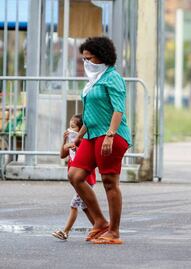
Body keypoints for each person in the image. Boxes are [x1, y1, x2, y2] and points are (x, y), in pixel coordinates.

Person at [68, 36, 132, 244]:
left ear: (102, 57)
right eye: (83, 59)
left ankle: (114, 231)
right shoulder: (93, 80)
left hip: (111, 136)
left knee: (109, 182)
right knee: (75, 175)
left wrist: (110, 135)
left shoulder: (112, 77)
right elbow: (91, 113)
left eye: (89, 58)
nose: (86, 63)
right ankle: (99, 222)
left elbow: (118, 109)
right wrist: (79, 136)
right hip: (92, 134)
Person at [52, 114, 96, 240]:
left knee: (74, 205)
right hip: (77, 180)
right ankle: (98, 228)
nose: (70, 129)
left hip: (85, 179)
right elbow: (62, 155)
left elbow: (86, 159)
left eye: (73, 127)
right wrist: (64, 141)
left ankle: (65, 232)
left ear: (80, 130)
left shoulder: (84, 142)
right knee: (85, 206)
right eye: (69, 126)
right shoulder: (71, 142)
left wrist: (77, 147)